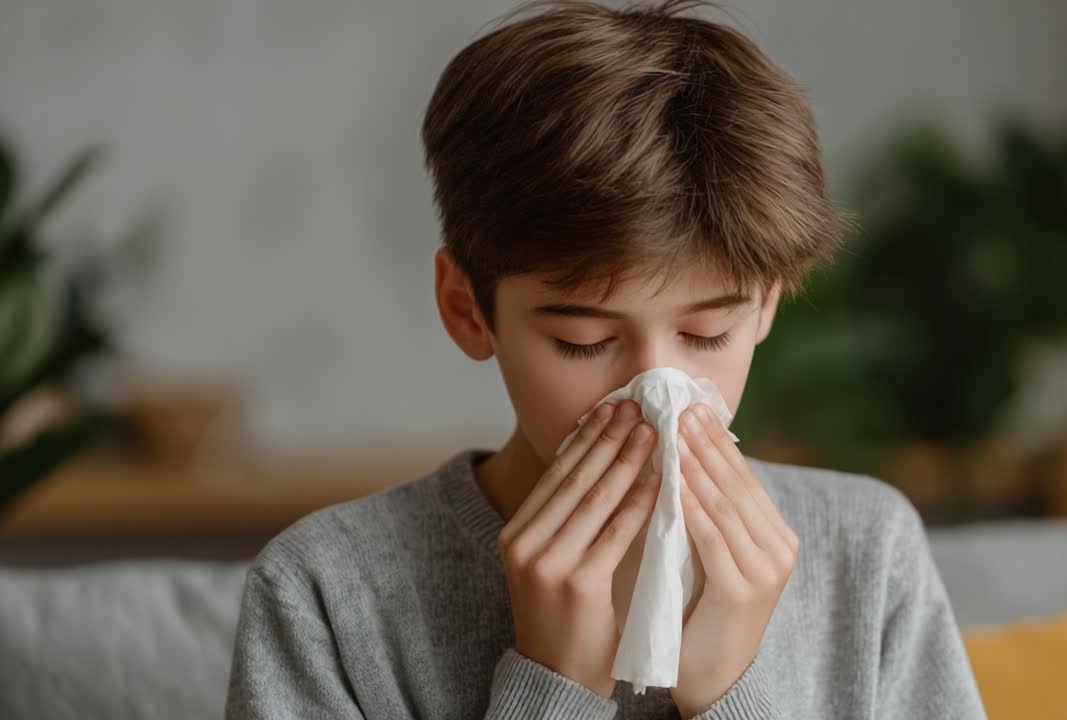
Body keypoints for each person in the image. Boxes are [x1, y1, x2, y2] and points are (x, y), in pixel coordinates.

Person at [225, 1, 987, 717]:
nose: (653, 396)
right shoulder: (325, 594)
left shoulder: (867, 554)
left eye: (706, 334)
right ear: (467, 309)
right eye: (583, 341)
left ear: (767, 305)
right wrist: (551, 688)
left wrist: (733, 694)